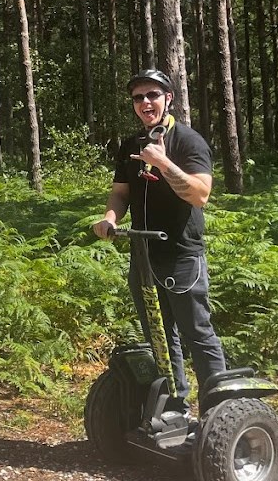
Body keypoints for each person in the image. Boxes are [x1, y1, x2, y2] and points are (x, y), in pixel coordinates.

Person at [92, 68, 227, 414]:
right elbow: (120, 194)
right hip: (144, 254)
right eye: (138, 97)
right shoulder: (130, 145)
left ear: (168, 98)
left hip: (181, 254)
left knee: (196, 332)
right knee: (160, 337)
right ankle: (175, 405)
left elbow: (200, 195)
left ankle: (220, 410)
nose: (145, 103)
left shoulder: (188, 141)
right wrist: (110, 218)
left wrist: (163, 162)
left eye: (152, 95)